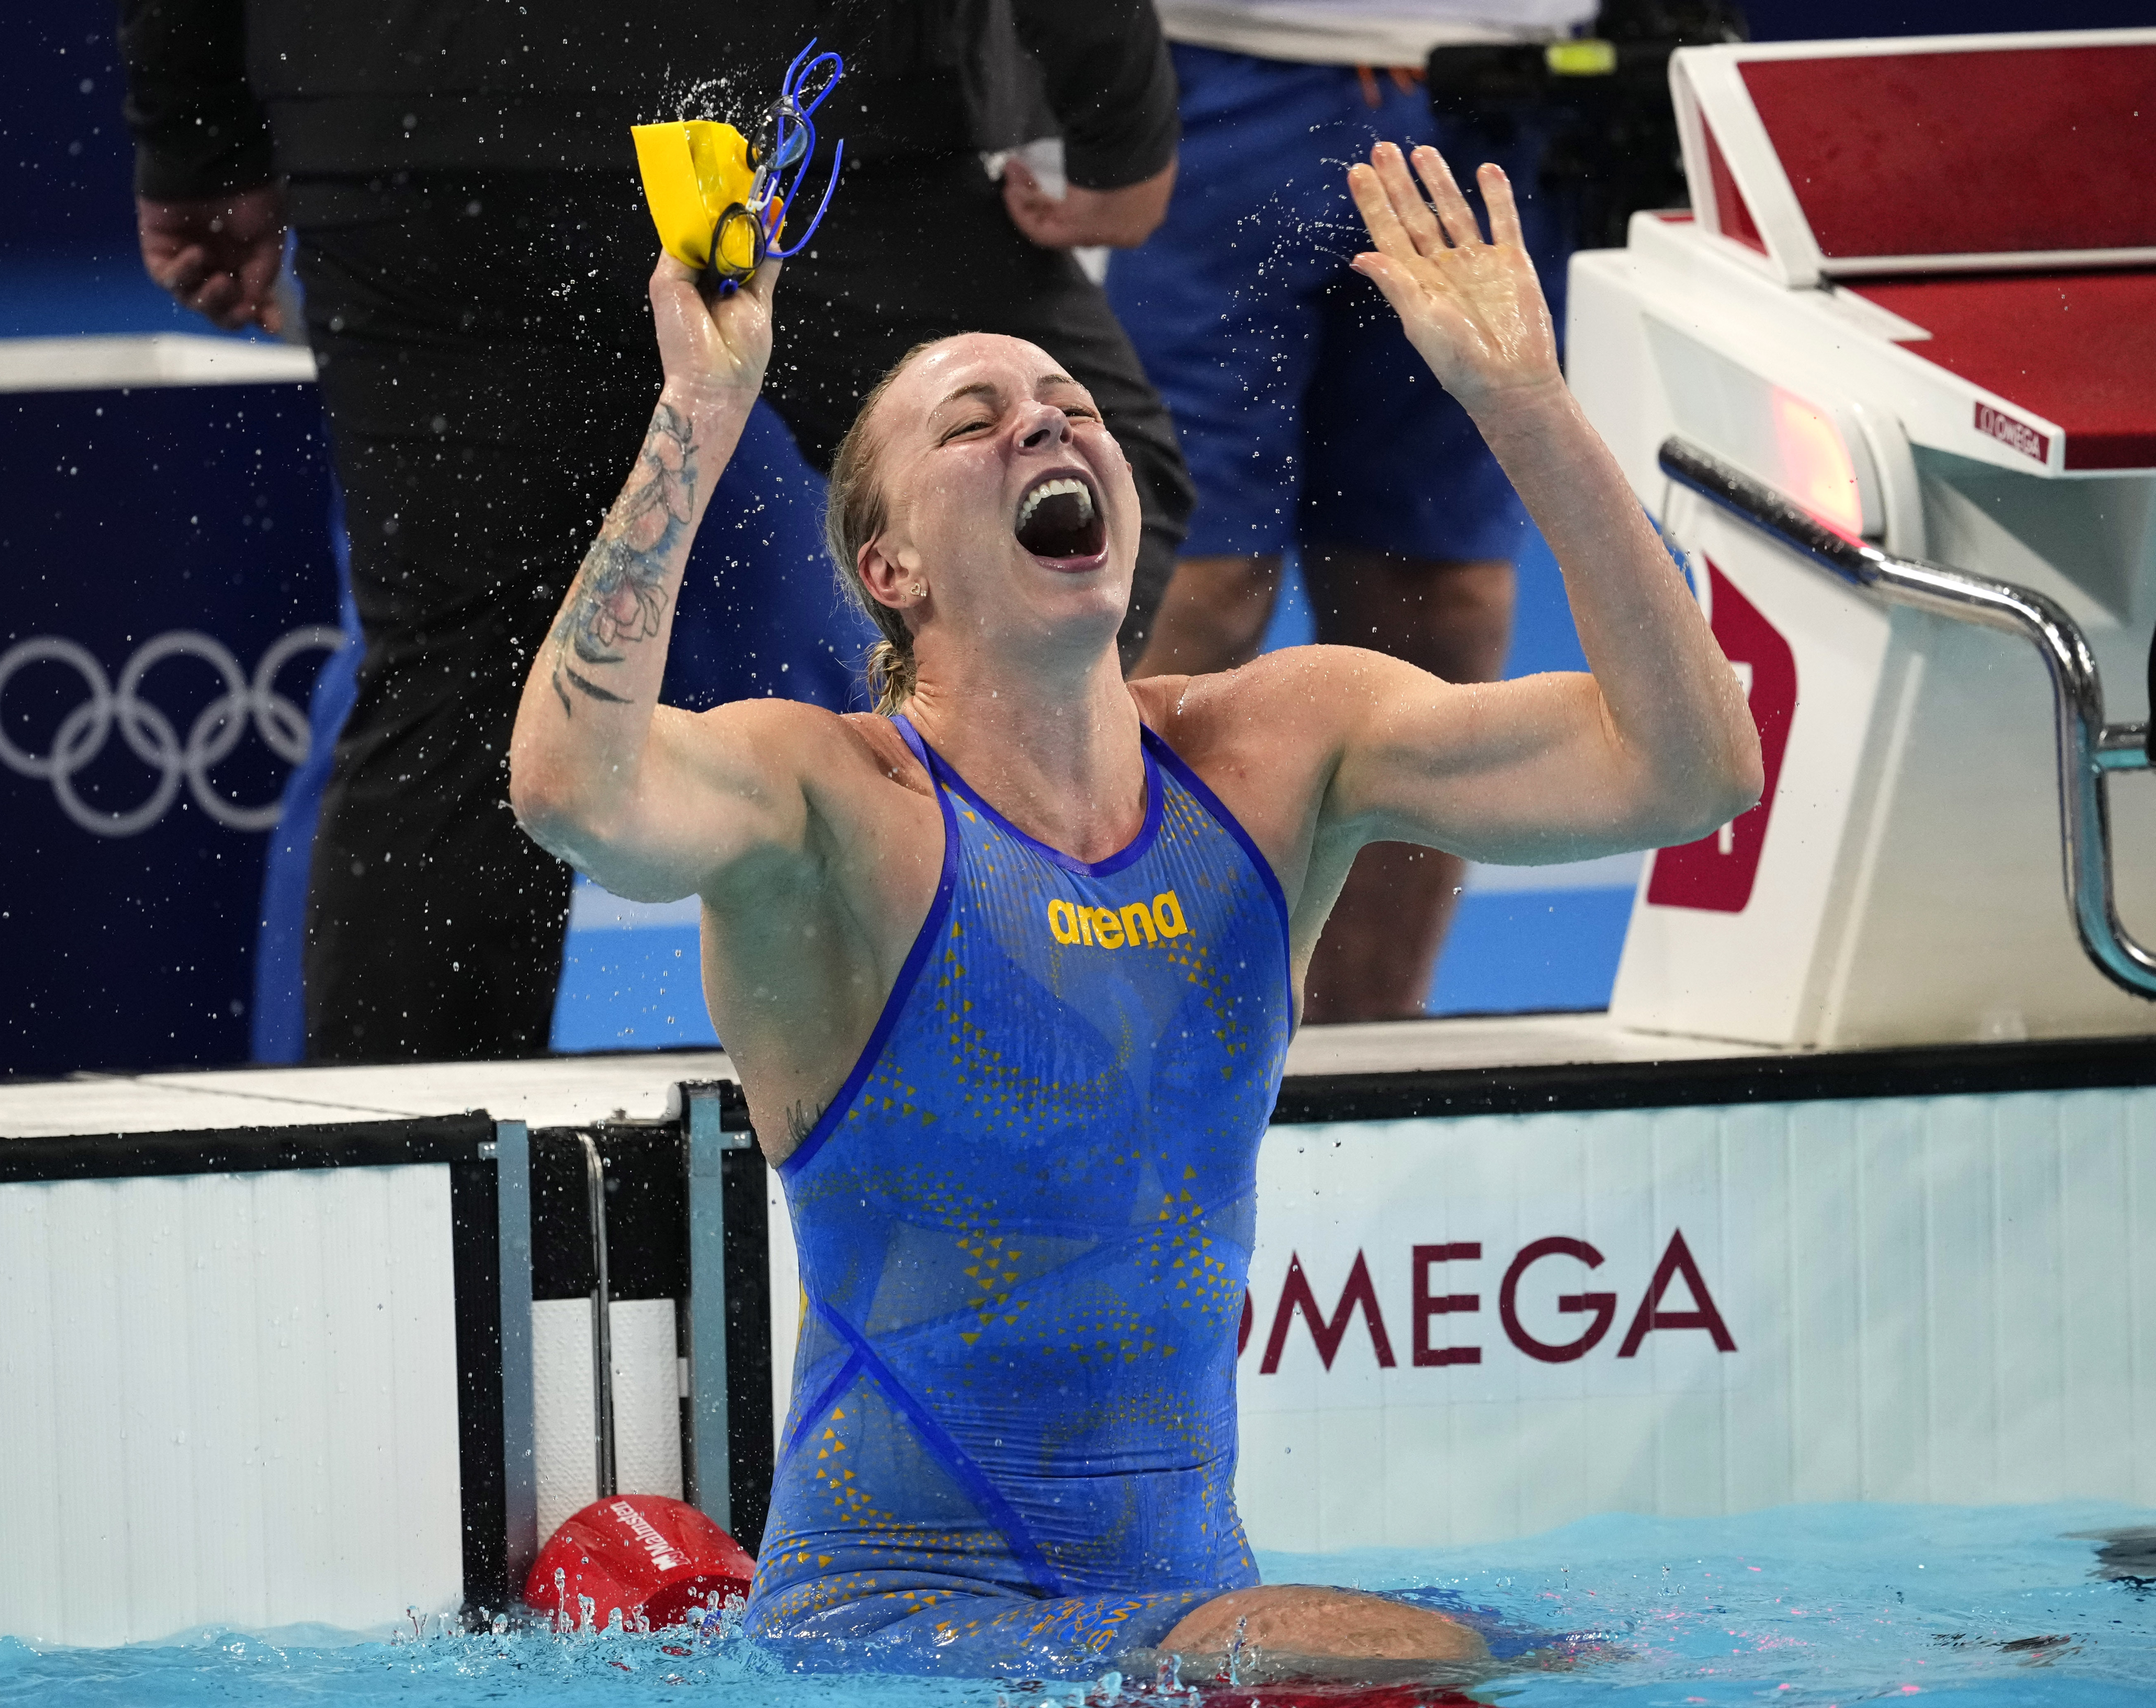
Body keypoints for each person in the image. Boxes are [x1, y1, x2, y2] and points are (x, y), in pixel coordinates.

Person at [508, 144, 1759, 1677]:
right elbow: (573, 788)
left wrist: (1527, 407)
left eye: (1072, 406)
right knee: (1469, 1660)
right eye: (975, 424)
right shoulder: (829, 805)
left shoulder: (1278, 749)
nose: (1044, 418)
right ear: (888, 566)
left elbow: (1693, 768)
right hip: (898, 1637)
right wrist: (699, 416)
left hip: (1192, 1632)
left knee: (1440, 1654)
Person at [116, 0, 1196, 1062]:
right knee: (1069, 502)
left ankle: (410, 1197)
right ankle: (991, 1051)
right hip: (813, 104)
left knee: (450, 688)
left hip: (418, 115)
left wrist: (199, 143)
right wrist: (1117, 121)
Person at [1104, 0, 1591, 1023]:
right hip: (1217, 74)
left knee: (1434, 602)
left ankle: (1367, 1054)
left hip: (1501, 91)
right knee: (1187, 589)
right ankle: (1113, 1042)